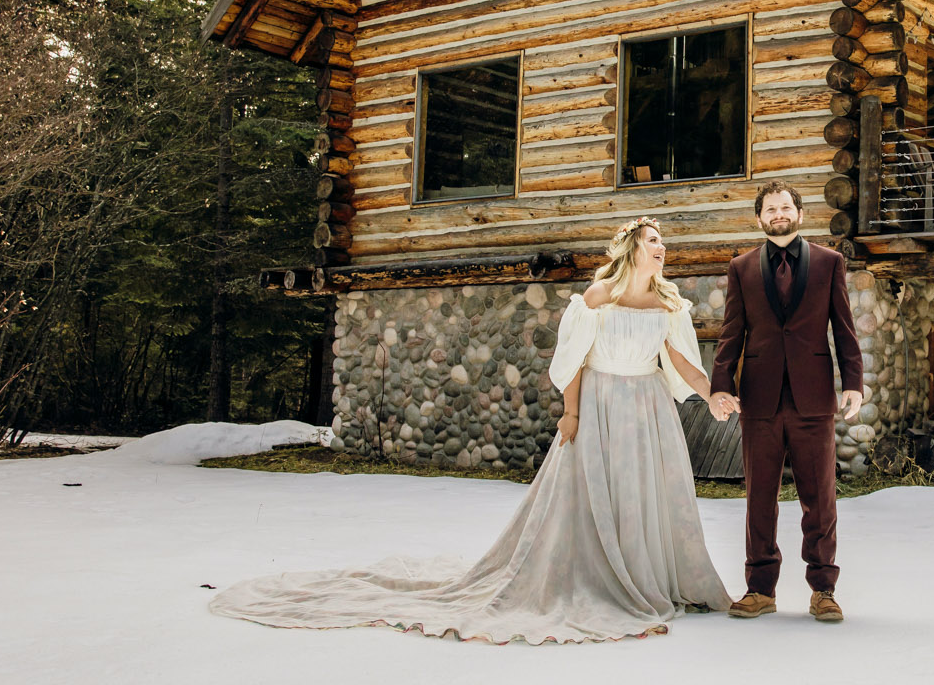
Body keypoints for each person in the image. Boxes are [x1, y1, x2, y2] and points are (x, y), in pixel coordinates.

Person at [210, 218, 732, 644]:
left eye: (663, 242)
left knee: (646, 494)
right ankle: (602, 580)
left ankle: (650, 577)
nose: (662, 248)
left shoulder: (670, 303)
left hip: (646, 406)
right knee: (599, 491)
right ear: (630, 249)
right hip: (599, 402)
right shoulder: (596, 297)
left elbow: (685, 364)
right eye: (653, 240)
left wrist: (712, 394)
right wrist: (570, 413)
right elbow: (571, 360)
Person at [708, 181, 865, 623]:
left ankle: (824, 589)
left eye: (785, 206)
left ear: (800, 212)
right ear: (759, 218)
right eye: (770, 208)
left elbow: (844, 327)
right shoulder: (741, 267)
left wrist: (853, 381)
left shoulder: (829, 263)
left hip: (813, 396)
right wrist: (721, 385)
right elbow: (731, 332)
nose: (778, 214)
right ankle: (760, 589)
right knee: (760, 496)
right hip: (758, 398)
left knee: (821, 498)